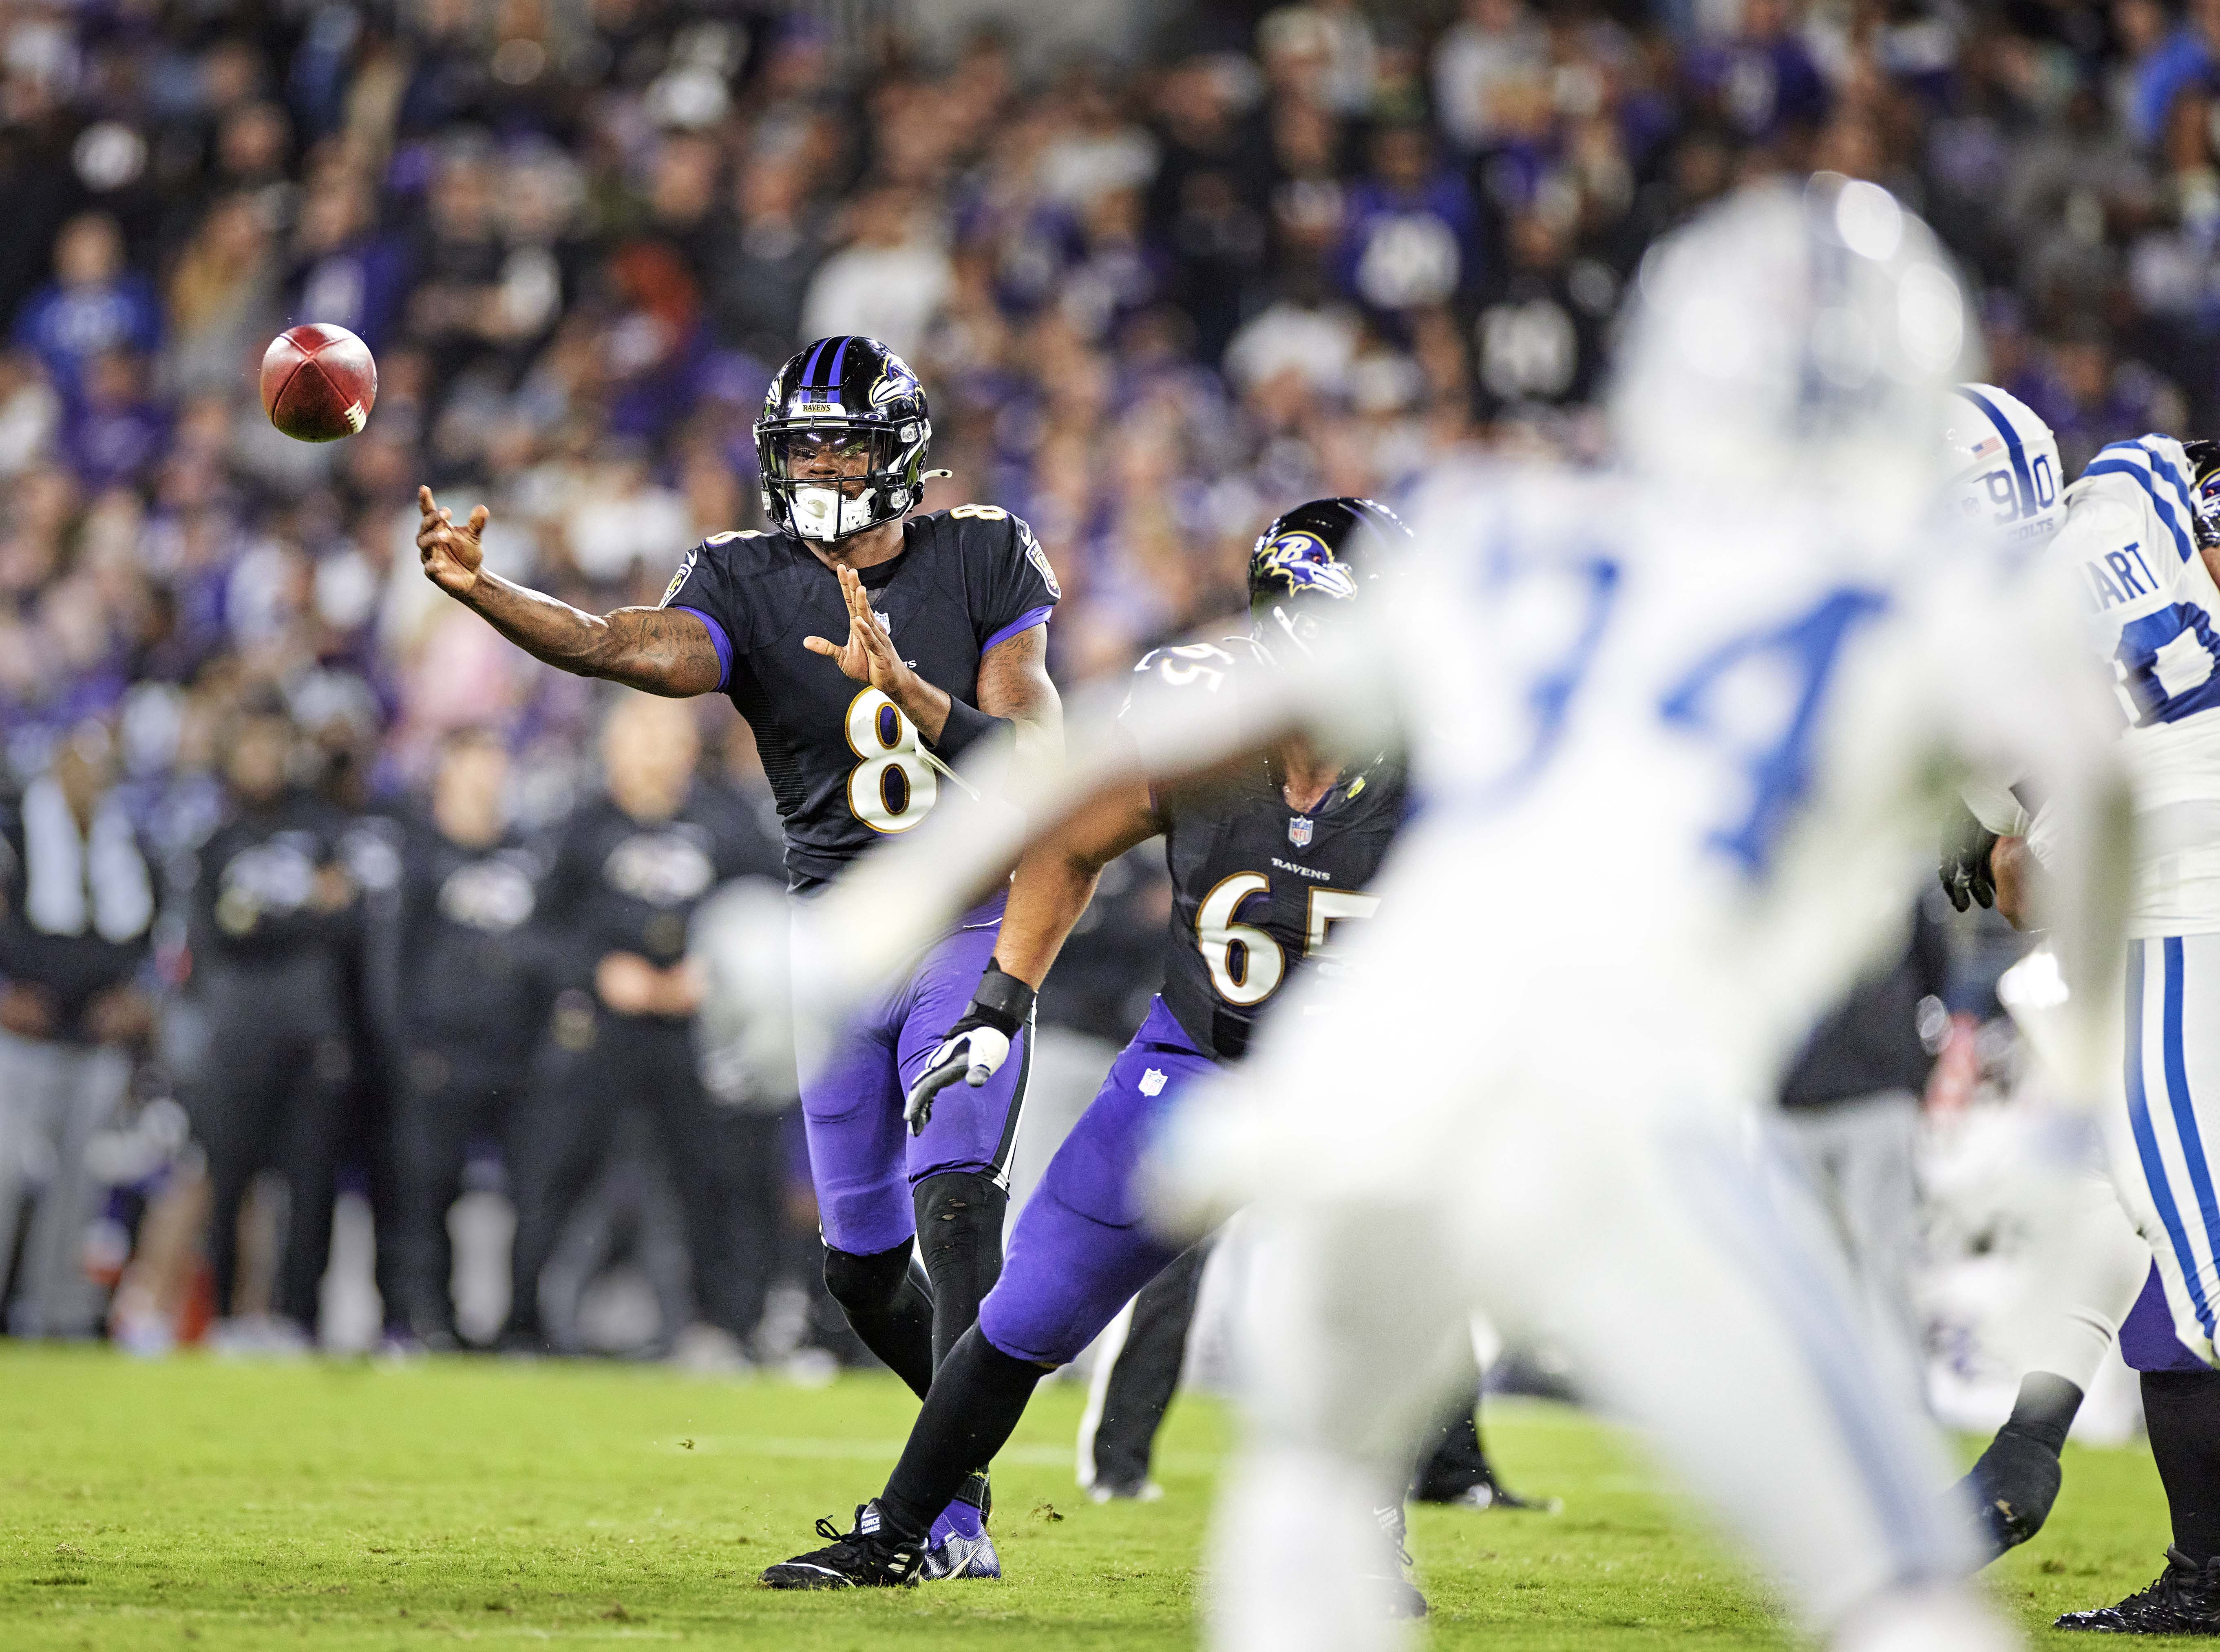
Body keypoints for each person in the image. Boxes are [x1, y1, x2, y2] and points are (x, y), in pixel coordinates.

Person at [794, 178, 2134, 1651]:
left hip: (1430, 1079)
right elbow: (1091, 780)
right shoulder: (1889, 611)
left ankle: (1370, 1546)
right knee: (1057, 1330)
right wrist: (977, 987)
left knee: (1352, 1421)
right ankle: (914, 1526)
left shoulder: (1517, 566)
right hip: (1318, 1069)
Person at [758, 497, 1526, 1596]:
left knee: (1355, 1310)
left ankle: (1363, 1538)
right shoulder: (1199, 717)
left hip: (1362, 1083)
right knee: (1026, 1309)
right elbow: (1066, 826)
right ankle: (897, 1528)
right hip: (1197, 1057)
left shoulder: (1451, 754)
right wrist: (998, 1001)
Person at [413, 333, 1061, 1570]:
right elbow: (623, 644)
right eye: (802, 442)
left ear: (900, 453)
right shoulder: (747, 574)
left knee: (958, 1208)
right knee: (862, 1274)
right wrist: (486, 595)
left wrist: (913, 691)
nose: (820, 463)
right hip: (832, 943)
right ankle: (959, 1481)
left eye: (843, 442)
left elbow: (1038, 754)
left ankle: (930, 1520)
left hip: (963, 916)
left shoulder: (984, 548)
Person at [1943, 421, 2220, 1631]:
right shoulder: (2131, 481)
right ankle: (2035, 1450)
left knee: (2208, 1291)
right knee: (2136, 1208)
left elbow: (2021, 880)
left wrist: (1986, 830)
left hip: (2174, 913)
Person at [512, 695, 770, 1355]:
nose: (655, 749)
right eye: (641, 733)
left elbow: (772, 913)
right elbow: (537, 933)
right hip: (602, 1031)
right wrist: (597, 970)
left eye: (668, 733)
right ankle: (522, 1322)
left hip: (697, 1030)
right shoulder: (583, 827)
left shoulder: (727, 823)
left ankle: (727, 1326)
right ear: (612, 746)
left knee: (716, 1177)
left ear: (691, 745)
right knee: (557, 1169)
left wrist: (721, 967)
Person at [0, 721, 156, 1337]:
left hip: (94, 1041)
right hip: (19, 1041)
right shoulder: (10, 838)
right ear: (53, 768)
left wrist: (137, 998)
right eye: (75, 766)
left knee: (80, 1184)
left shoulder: (130, 846)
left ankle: (52, 1315)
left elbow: (154, 941)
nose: (85, 781)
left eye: (97, 769)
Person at [184, 694, 358, 1348]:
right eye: (249, 745)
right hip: (238, 1035)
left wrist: (265, 915)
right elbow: (219, 932)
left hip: (312, 1032)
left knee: (311, 1185)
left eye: (271, 744)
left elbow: (346, 918)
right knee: (230, 1182)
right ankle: (229, 1318)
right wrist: (303, 908)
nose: (261, 758)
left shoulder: (321, 826)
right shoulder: (217, 840)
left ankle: (299, 1321)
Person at [388, 724, 554, 1351]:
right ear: (445, 774)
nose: (488, 777)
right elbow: (392, 962)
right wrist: (407, 1048)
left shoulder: (528, 854)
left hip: (518, 1054)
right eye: (474, 763)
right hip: (441, 1052)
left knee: (532, 1193)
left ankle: (520, 1321)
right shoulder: (419, 855)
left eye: (495, 763)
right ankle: (429, 1316)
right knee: (430, 1190)